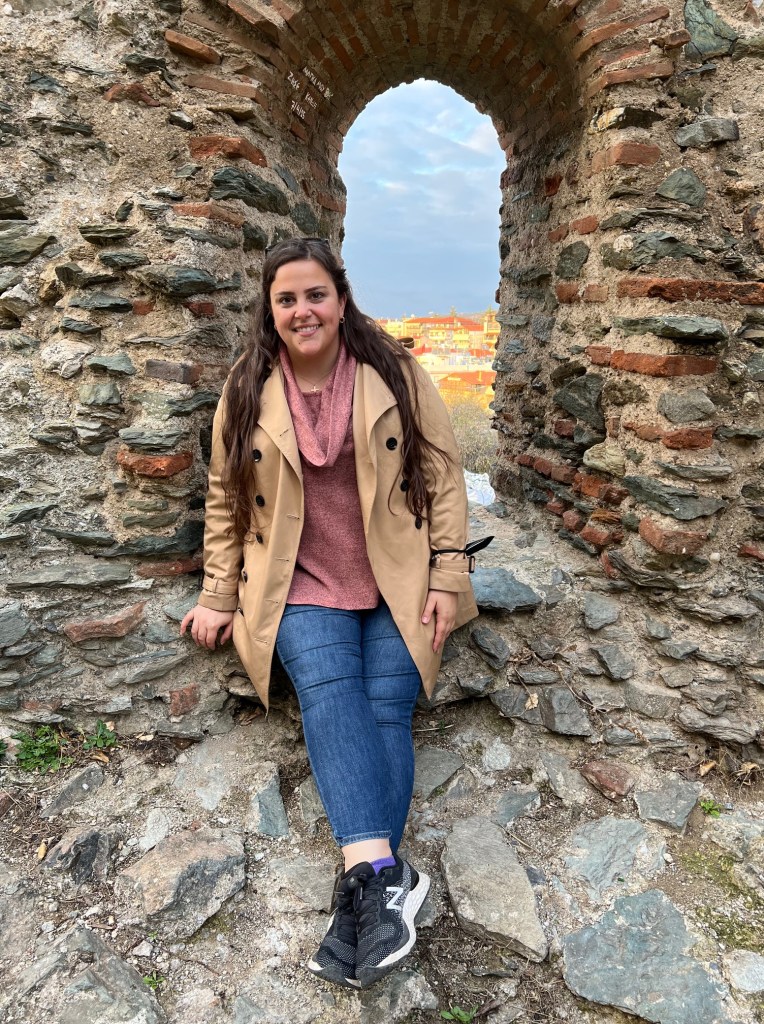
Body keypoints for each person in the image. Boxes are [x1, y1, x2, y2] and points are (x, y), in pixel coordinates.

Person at [181, 237, 481, 989]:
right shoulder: (247, 387)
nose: (302, 310)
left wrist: (448, 577)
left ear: (341, 300)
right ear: (270, 309)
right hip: (300, 580)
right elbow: (223, 498)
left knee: (386, 707)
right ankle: (382, 880)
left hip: (398, 577)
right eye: (286, 299)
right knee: (328, 693)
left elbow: (443, 475)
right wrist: (218, 594)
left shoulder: (393, 371)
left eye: (315, 294)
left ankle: (364, 893)